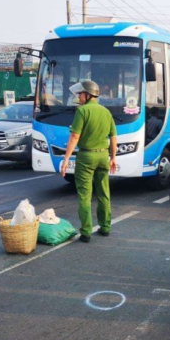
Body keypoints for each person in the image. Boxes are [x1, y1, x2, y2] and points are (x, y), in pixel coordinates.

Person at [60, 80, 117, 243]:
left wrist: (65, 160)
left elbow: (74, 136)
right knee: (103, 193)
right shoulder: (106, 112)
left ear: (88, 94)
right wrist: (113, 157)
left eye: (80, 94)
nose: (79, 97)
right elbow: (113, 137)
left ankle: (86, 232)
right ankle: (105, 227)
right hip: (103, 156)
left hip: (86, 157)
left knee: (85, 195)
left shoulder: (82, 111)